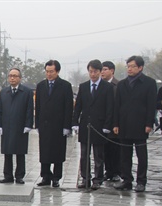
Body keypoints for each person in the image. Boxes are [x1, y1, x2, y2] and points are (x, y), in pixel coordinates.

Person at [113, 55, 157, 192]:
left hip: (140, 124)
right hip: (124, 124)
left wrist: (149, 123)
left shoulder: (149, 83)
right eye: (128, 66)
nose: (129, 69)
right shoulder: (122, 84)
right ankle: (126, 180)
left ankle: (141, 181)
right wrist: (116, 124)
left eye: (132, 66)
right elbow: (117, 106)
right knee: (125, 155)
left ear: (140, 67)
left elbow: (151, 105)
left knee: (141, 155)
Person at [72, 60, 114, 190]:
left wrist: (107, 125)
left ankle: (98, 179)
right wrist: (75, 123)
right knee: (84, 154)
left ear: (100, 72)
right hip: (85, 125)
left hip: (100, 126)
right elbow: (78, 106)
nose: (93, 74)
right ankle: (85, 178)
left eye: (95, 71)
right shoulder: (83, 86)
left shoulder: (107, 87)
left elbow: (110, 108)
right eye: (90, 71)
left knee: (98, 155)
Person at [34, 60, 73, 188]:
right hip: (44, 124)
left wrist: (67, 126)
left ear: (57, 71)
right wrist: (37, 124)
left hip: (59, 125)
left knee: (57, 152)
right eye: (47, 71)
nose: (49, 74)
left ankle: (56, 177)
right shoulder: (40, 86)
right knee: (44, 151)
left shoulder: (65, 86)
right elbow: (38, 106)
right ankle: (45, 176)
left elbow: (68, 107)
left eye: (51, 71)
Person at [0, 67, 34, 184]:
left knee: (20, 152)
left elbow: (29, 109)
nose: (12, 78)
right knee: (7, 152)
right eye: (10, 76)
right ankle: (8, 176)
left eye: (15, 76)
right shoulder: (3, 92)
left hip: (20, 126)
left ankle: (19, 176)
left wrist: (28, 125)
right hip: (7, 126)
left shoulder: (26, 92)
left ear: (20, 78)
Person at [101, 61, 120, 182]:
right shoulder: (100, 84)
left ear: (112, 71)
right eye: (101, 70)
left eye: (105, 69)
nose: (102, 72)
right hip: (102, 122)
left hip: (114, 121)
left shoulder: (118, 85)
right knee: (104, 150)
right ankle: (108, 171)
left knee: (115, 149)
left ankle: (116, 172)